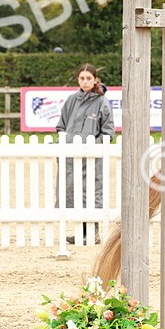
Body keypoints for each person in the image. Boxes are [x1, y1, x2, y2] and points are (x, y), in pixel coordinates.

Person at [56, 63, 117, 244]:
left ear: (95, 79)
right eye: (82, 78)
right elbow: (61, 126)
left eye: (88, 78)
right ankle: (81, 232)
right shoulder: (71, 100)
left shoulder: (102, 102)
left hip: (91, 157)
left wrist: (93, 146)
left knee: (90, 191)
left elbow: (108, 131)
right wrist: (66, 142)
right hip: (70, 155)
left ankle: (93, 232)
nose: (85, 81)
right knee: (71, 191)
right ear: (78, 79)